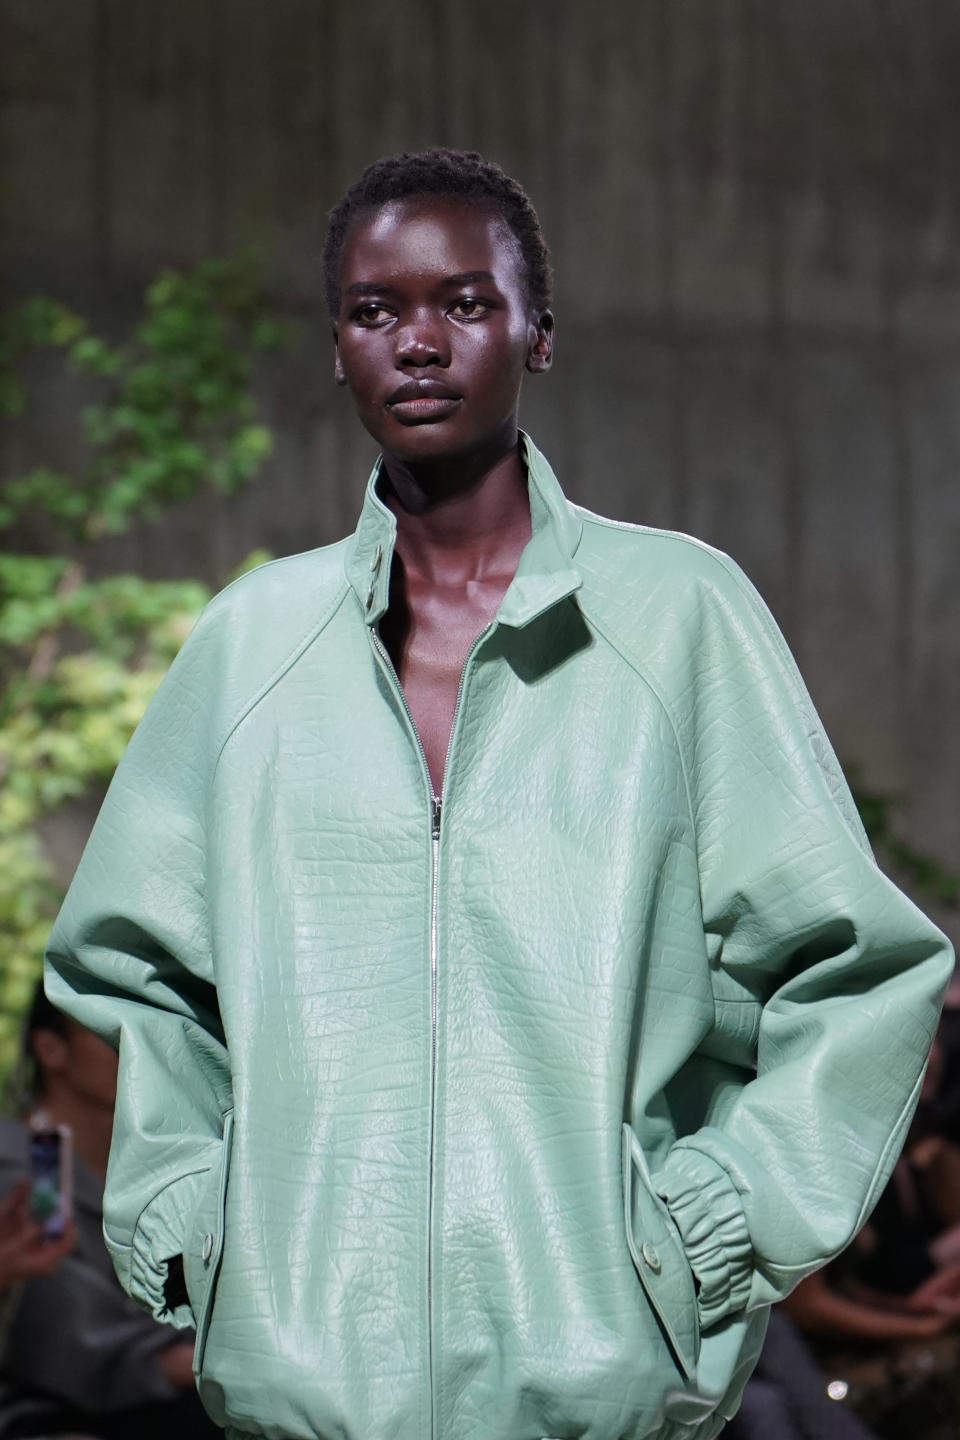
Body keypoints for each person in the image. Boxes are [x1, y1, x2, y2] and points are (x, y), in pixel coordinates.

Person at [44, 149, 953, 1440]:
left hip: (599, 1392)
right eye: (375, 310)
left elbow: (856, 973)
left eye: (466, 303)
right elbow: (128, 979)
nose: (418, 342)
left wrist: (698, 1233)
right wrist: (200, 1224)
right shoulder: (252, 646)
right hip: (301, 1398)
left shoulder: (677, 620)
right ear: (336, 349)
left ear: (538, 334)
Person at [0, 985, 221, 1440]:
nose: (137, 1047)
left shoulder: (157, 1158)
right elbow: (63, 1330)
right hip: (66, 1411)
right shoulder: (38, 1164)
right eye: (109, 1031)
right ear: (50, 1049)